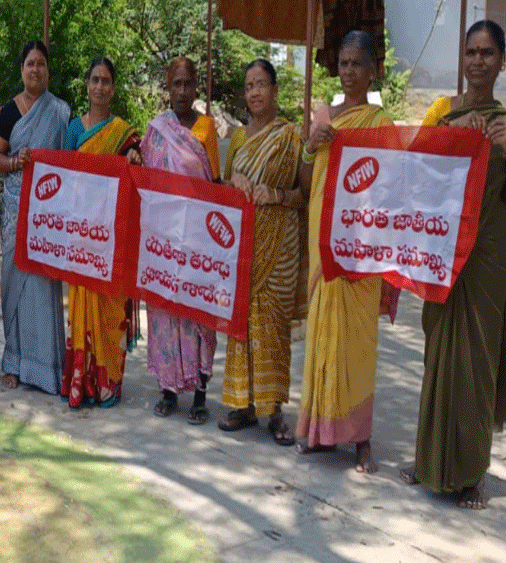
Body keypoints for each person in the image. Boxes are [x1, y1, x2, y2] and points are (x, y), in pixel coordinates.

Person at [401, 20, 506, 508]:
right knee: (437, 354)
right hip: (443, 250)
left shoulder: (505, 122)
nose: (477, 61)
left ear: (501, 62)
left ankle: (472, 472)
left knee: (478, 360)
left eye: (487, 53)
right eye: (471, 52)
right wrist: (450, 137)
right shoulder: (444, 115)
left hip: (488, 255)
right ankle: (428, 461)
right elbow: (414, 176)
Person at [296, 30, 393, 473]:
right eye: (344, 63)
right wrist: (311, 146)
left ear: (372, 70)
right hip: (324, 237)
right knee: (323, 333)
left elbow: (389, 185)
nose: (349, 71)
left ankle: (361, 440)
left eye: (357, 64)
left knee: (358, 341)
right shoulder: (323, 117)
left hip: (361, 242)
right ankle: (320, 432)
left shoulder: (379, 122)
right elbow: (305, 184)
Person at [217, 59, 303, 443]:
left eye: (261, 84)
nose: (254, 92)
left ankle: (275, 410)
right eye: (249, 85)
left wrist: (277, 195)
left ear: (275, 89)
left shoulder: (291, 137)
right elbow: (221, 191)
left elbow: (306, 194)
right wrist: (232, 180)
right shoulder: (238, 138)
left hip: (280, 247)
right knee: (243, 321)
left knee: (272, 327)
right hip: (243, 245)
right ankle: (243, 404)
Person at [141, 56, 220, 424]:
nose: (183, 91)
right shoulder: (156, 131)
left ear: (196, 87)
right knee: (165, 308)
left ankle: (200, 393)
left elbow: (215, 183)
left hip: (197, 238)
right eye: (177, 84)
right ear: (168, 87)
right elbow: (146, 180)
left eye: (188, 83)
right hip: (164, 238)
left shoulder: (206, 128)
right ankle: (168, 389)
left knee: (197, 312)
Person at [0, 39, 69, 393]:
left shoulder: (61, 112)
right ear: (21, 70)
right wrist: (13, 162)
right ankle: (14, 363)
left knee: (44, 285)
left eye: (41, 63)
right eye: (30, 63)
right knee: (15, 286)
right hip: (15, 211)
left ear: (48, 70)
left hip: (47, 215)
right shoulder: (10, 111)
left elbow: (70, 163)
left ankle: (48, 367)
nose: (35, 69)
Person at [60, 57, 141, 409]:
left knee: (110, 306)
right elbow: (63, 176)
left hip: (111, 236)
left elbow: (136, 182)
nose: (100, 87)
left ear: (114, 87)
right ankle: (82, 379)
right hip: (83, 233)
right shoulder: (74, 130)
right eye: (95, 80)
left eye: (106, 81)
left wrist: (134, 160)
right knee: (82, 306)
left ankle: (109, 382)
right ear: (87, 85)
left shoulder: (124, 135)